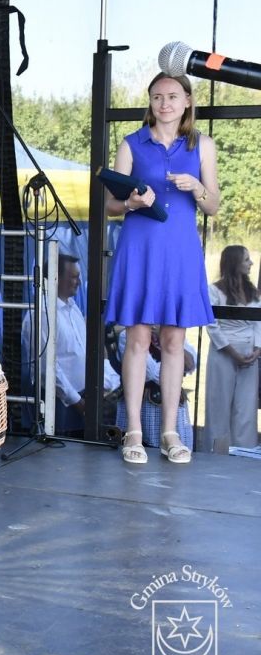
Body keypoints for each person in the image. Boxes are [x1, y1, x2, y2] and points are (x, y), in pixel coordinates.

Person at [104, 72, 218, 465]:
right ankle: (134, 431)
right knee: (137, 339)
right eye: (157, 97)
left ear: (187, 101)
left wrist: (197, 187)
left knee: (173, 341)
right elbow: (111, 204)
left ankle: (170, 432)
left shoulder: (202, 145)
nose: (164, 104)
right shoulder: (131, 143)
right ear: (150, 102)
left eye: (171, 96)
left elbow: (213, 205)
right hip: (140, 249)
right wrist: (130, 204)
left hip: (180, 252)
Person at [20, 254, 120, 437]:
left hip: (83, 403)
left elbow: (84, 353)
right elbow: (46, 367)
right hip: (60, 407)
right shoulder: (42, 314)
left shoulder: (73, 308)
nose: (79, 282)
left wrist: (108, 385)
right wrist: (76, 401)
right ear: (55, 278)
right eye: (73, 277)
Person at [204, 245, 261, 450]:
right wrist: (233, 353)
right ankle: (216, 452)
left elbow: (258, 323)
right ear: (234, 262)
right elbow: (212, 325)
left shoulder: (253, 293)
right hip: (224, 353)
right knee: (219, 404)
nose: (251, 263)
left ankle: (244, 451)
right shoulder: (214, 290)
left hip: (250, 354)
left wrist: (257, 350)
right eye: (246, 259)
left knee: (246, 407)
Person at [113, 327, 198, 450]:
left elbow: (192, 364)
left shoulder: (172, 330)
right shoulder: (125, 335)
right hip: (143, 404)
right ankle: (134, 437)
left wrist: (169, 343)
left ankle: (170, 436)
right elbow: (151, 373)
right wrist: (176, 370)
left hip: (171, 401)